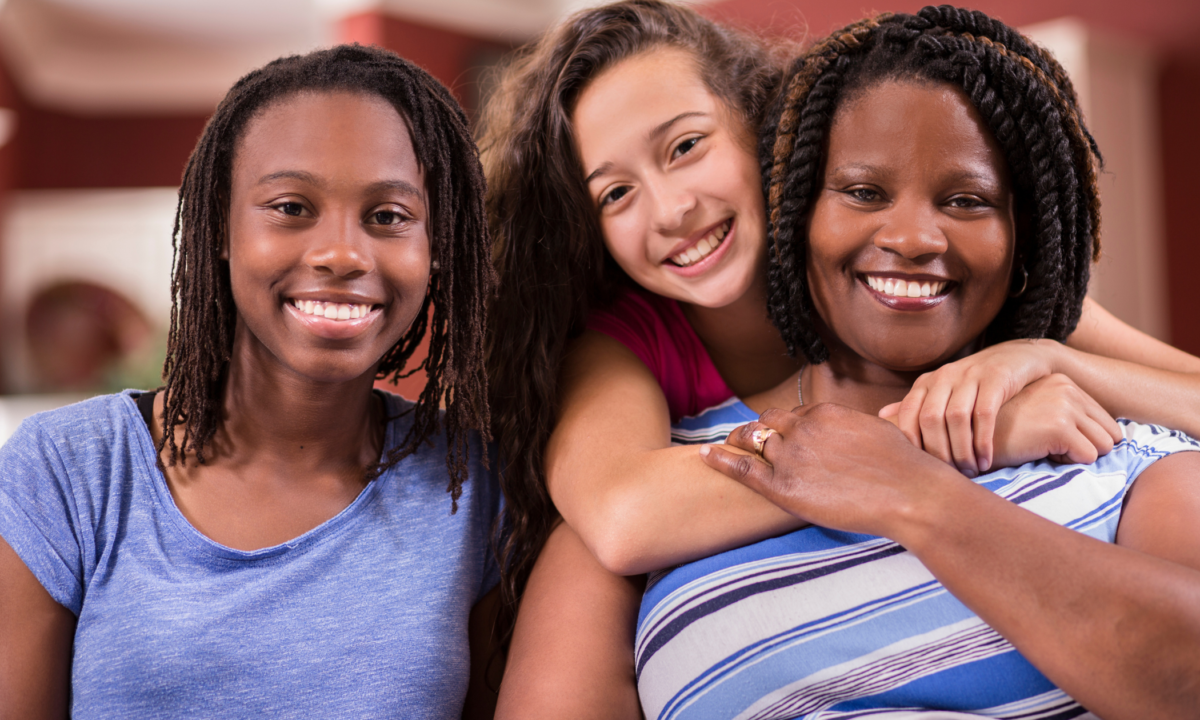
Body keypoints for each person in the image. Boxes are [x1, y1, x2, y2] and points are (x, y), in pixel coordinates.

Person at [500, 8, 1200, 718]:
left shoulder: (1067, 380)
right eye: (615, 192)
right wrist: (916, 447)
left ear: (764, 138)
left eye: (685, 147)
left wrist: (1054, 362)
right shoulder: (630, 355)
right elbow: (624, 516)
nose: (672, 208)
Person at [0, 45, 500, 718]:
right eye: (292, 206)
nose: (342, 254)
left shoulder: (472, 487)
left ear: (436, 248)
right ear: (221, 228)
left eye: (388, 216)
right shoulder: (70, 470)